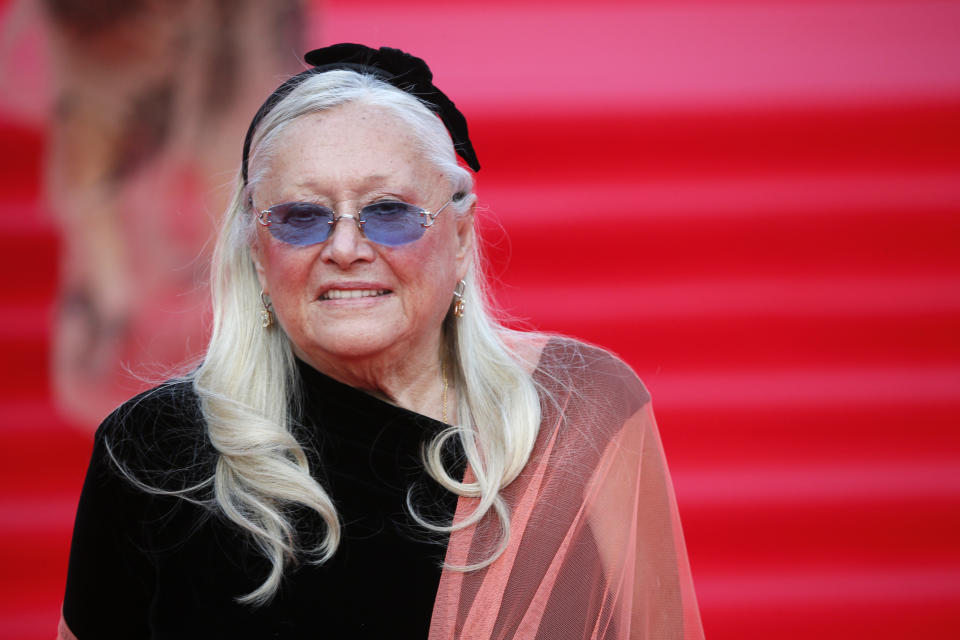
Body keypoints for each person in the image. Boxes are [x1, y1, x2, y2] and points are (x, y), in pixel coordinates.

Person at [59, 44, 704, 639]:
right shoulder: (153, 451)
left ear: (458, 237)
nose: (344, 248)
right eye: (301, 216)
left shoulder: (576, 414)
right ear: (257, 253)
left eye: (389, 211)